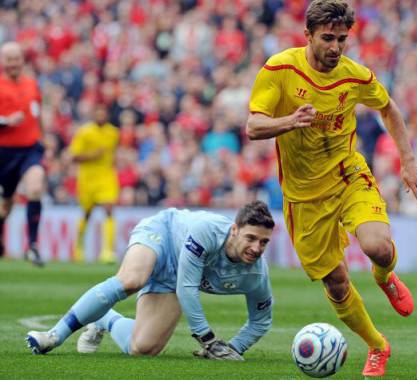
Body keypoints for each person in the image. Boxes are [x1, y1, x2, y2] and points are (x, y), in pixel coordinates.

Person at [246, 1, 417, 377]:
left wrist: (408, 161)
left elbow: (390, 109)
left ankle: (385, 277)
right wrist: (289, 121)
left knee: (377, 247)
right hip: (303, 197)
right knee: (336, 283)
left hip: (348, 176)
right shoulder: (280, 69)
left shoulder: (355, 75)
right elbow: (253, 126)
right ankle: (378, 346)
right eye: (327, 38)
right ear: (308, 36)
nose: (335, 47)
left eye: (342, 39)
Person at [26, 201, 274, 360]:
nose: (256, 247)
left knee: (143, 348)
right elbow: (187, 289)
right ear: (234, 230)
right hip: (162, 236)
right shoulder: (207, 231)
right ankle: (54, 335)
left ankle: (105, 318)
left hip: (177, 275)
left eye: (263, 242)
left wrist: (234, 347)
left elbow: (261, 321)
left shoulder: (255, 275)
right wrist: (208, 340)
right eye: (251, 238)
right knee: (132, 279)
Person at [0, 41, 45, 267]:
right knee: (5, 206)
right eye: (9, 59)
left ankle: (33, 246)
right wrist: (6, 121)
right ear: (2, 62)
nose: (13, 63)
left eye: (17, 59)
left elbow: (38, 114)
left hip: (30, 149)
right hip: (4, 153)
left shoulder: (32, 85)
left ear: (22, 60)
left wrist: (43, 139)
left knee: (35, 187)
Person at [69, 104, 119, 263]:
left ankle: (107, 252)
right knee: (87, 213)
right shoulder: (84, 132)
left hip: (106, 176)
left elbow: (113, 153)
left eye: (103, 113)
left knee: (109, 209)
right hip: (87, 178)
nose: (101, 116)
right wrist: (93, 155)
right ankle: (78, 249)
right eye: (98, 113)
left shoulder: (113, 133)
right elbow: (74, 156)